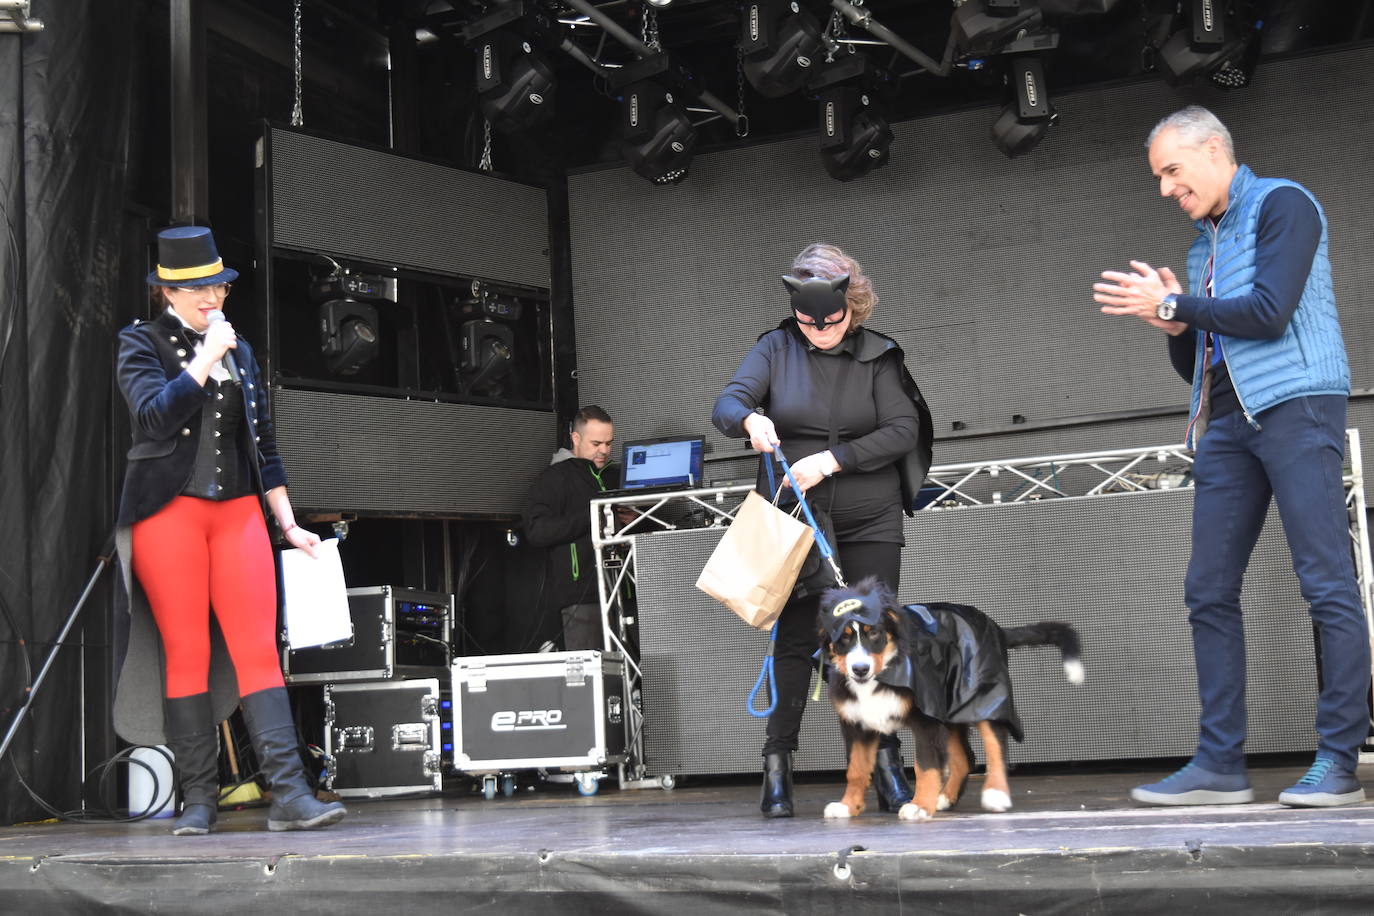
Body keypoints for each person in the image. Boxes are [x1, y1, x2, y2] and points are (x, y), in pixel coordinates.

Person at [1094, 106, 1371, 807]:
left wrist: (1179, 303)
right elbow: (1197, 358)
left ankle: (1338, 760)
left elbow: (1271, 312)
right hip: (1225, 425)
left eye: (1171, 171)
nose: (1164, 188)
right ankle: (1220, 764)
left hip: (1297, 406)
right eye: (1158, 177)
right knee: (1207, 589)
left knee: (1326, 584)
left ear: (1213, 151)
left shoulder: (1283, 203)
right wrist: (1172, 316)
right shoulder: (1200, 248)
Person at [113, 225, 347, 835]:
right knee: (186, 652)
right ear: (167, 290)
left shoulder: (242, 352)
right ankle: (199, 799)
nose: (212, 298)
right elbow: (152, 418)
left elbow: (263, 446)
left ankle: (291, 796)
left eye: (217, 286)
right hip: (169, 514)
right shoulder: (140, 343)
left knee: (258, 649)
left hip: (239, 511)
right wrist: (204, 358)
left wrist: (289, 525)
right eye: (198, 290)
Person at [712, 242, 933, 817]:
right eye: (808, 321)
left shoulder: (879, 356)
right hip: (796, 522)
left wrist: (831, 461)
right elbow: (728, 402)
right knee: (792, 641)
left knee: (872, 642)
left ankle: (884, 765)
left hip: (870, 516)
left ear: (852, 305)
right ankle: (777, 766)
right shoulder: (775, 346)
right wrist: (749, 417)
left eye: (831, 320)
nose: (820, 330)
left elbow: (902, 429)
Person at [522, 405, 622, 652]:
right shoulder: (555, 478)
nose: (604, 450)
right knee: (592, 677)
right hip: (581, 598)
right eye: (596, 443)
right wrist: (594, 514)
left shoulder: (618, 475)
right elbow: (536, 530)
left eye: (609, 443)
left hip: (624, 591)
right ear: (575, 438)